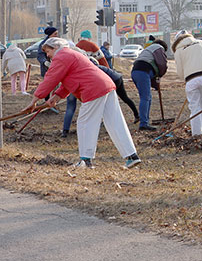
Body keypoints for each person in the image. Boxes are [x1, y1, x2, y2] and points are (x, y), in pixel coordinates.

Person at [25, 37, 141, 169]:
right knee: (115, 121)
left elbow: (50, 79)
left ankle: (86, 161)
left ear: (56, 48)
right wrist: (56, 97)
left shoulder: (61, 56)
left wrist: (34, 100)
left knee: (85, 122)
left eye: (48, 52)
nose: (48, 55)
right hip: (106, 84)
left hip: (93, 88)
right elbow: (68, 80)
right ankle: (132, 156)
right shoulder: (70, 54)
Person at [172, 30, 202, 136]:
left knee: (195, 108)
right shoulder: (200, 43)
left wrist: (187, 79)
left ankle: (197, 135)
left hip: (191, 80)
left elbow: (180, 72)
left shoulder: (178, 51)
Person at [131, 39, 169, 131]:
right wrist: (160, 74)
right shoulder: (159, 48)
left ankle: (145, 120)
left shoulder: (148, 49)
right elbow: (162, 64)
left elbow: (153, 67)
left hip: (135, 72)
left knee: (147, 97)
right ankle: (143, 124)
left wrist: (156, 84)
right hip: (143, 71)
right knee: (145, 97)